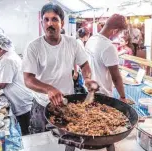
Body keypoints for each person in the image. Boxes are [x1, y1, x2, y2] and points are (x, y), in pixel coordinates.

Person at [22, 3, 98, 134]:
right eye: (46, 19)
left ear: (62, 23)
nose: (49, 24)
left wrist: (87, 78)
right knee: (41, 143)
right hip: (42, 105)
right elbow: (28, 79)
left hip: (66, 104)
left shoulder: (72, 43)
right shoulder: (33, 47)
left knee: (68, 140)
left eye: (54, 19)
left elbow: (84, 64)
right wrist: (49, 89)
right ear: (42, 23)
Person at [85, 14, 127, 101]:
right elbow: (116, 77)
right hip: (102, 95)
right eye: (119, 33)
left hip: (89, 88)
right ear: (115, 31)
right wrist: (122, 97)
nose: (118, 36)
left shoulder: (92, 38)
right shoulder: (109, 47)